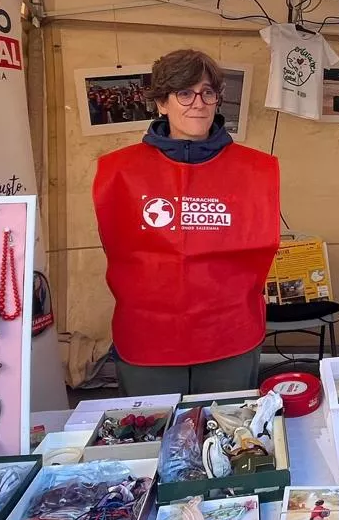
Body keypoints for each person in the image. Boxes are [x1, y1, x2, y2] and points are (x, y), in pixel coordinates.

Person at [92, 49, 281, 396]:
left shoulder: (255, 170)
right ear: (162, 103)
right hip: (149, 336)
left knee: (225, 433)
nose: (198, 102)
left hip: (229, 332)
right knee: (155, 433)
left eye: (208, 92)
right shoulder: (119, 172)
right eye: (185, 93)